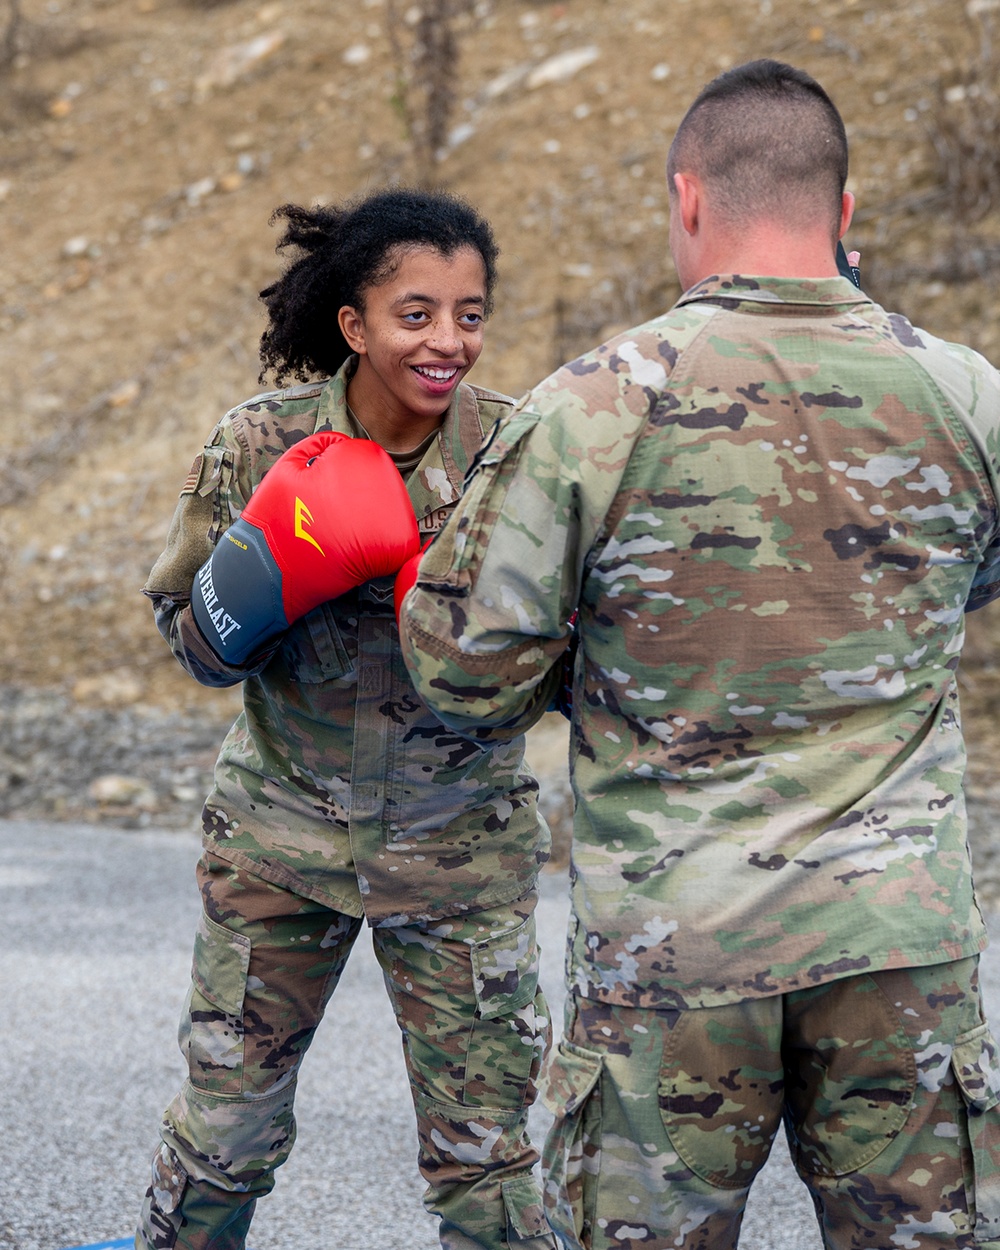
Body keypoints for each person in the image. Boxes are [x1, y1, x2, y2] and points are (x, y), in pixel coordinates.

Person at [397, 60, 1000, 1250]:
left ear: (686, 198)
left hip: (673, 952)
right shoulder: (966, 392)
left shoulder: (589, 408)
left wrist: (601, 660)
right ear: (844, 207)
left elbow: (462, 672)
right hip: (896, 943)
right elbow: (967, 580)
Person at [136, 187, 556, 1250]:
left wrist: (471, 631)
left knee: (485, 1157)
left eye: (469, 313)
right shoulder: (259, 442)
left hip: (459, 853)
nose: (447, 340)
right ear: (354, 324)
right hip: (279, 841)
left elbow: (571, 666)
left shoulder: (522, 456)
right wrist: (262, 578)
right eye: (415, 313)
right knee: (224, 1132)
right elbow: (187, 644)